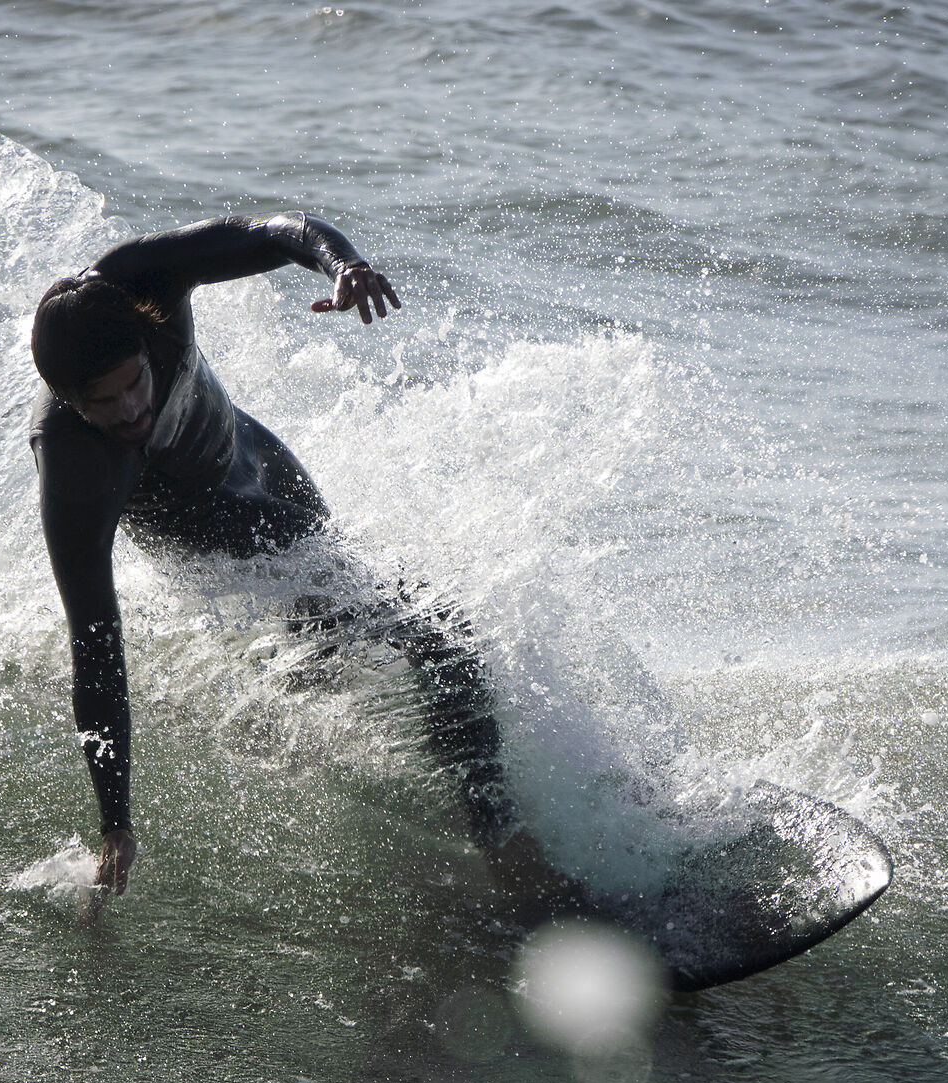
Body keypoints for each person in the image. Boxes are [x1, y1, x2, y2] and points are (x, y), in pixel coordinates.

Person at [28, 212, 569, 902]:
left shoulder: (140, 280)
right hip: (214, 528)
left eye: (135, 380)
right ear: (72, 402)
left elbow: (270, 232)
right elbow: (96, 649)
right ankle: (506, 850)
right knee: (439, 635)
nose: (131, 408)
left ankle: (399, 794)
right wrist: (116, 823)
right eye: (104, 403)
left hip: (259, 460)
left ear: (143, 333)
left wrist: (340, 264)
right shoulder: (72, 471)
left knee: (331, 648)